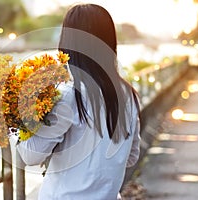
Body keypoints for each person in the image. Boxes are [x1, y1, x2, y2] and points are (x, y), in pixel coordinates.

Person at [14, 3, 141, 200]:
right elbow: (131, 157)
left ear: (68, 42)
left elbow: (31, 156)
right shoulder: (128, 94)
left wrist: (19, 116)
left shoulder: (68, 95)